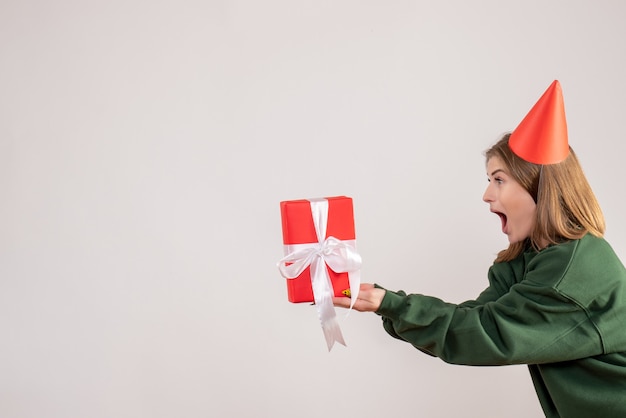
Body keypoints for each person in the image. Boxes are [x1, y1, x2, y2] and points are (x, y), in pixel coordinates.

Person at [333, 81, 626, 418]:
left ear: (540, 188)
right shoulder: (532, 262)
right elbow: (468, 325)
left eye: (498, 179)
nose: (487, 195)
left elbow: (487, 335)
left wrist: (393, 305)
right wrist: (385, 305)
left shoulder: (575, 268)